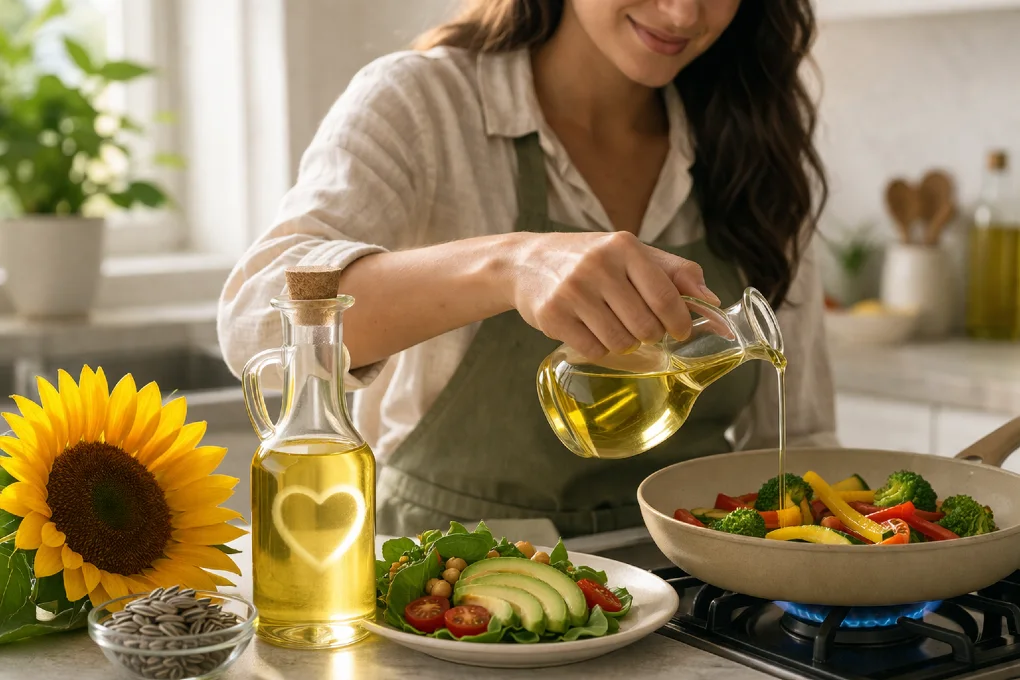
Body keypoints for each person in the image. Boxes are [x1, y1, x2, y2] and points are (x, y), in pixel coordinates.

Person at [218, 0, 837, 540]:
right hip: (449, 590)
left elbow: (800, 443)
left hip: (690, 589)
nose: (683, 13)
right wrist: (510, 265)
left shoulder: (756, 138)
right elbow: (254, 322)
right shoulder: (422, 104)